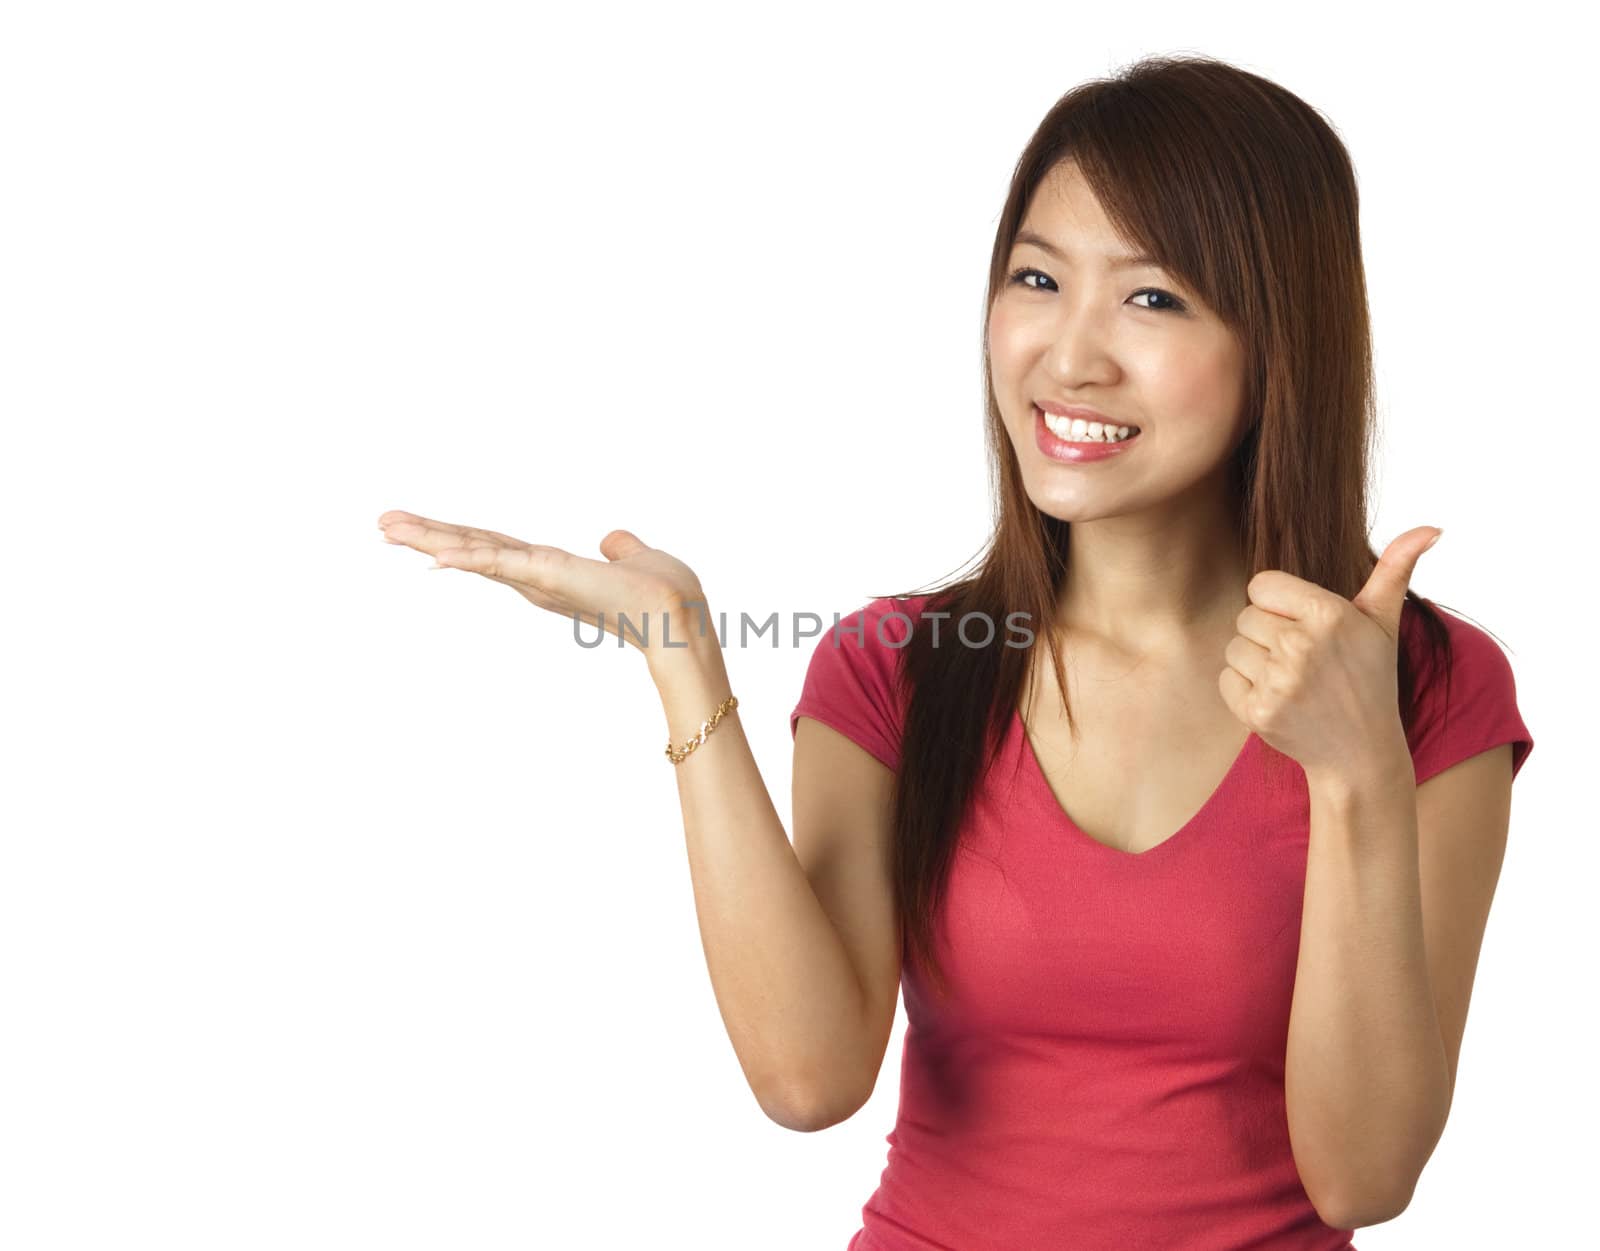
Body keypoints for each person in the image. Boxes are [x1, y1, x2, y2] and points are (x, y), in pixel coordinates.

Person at [377, 52, 1534, 1251]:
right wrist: (682, 663)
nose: (1068, 355)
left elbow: (1363, 1179)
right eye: (1037, 278)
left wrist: (1354, 772)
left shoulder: (1425, 689)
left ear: (1279, 342)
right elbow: (806, 1079)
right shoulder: (900, 668)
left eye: (1152, 299)